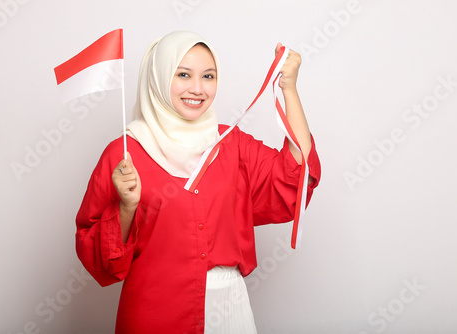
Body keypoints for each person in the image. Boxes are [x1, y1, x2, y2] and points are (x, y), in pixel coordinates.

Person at [76, 31, 321, 334]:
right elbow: (96, 255)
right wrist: (126, 208)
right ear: (159, 76)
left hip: (228, 306)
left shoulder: (230, 143)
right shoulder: (125, 152)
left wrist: (289, 90)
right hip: (155, 310)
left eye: (208, 76)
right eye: (183, 74)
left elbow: (294, 174)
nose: (197, 88)